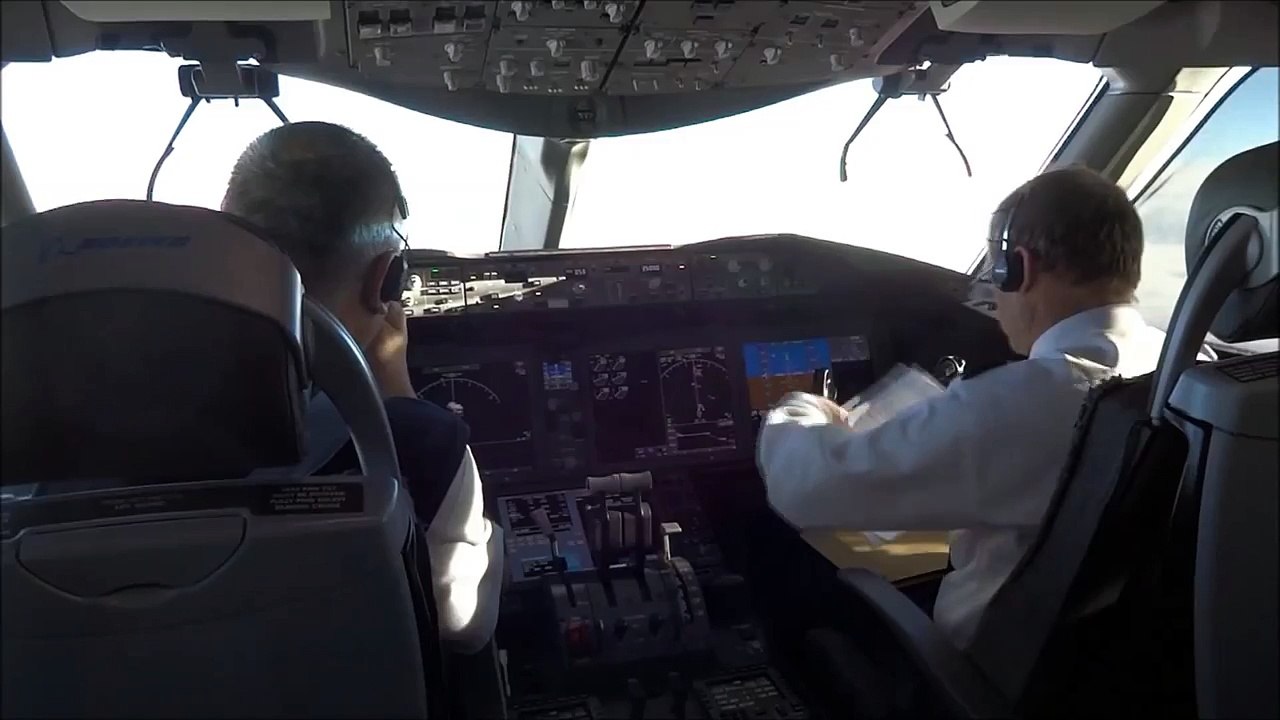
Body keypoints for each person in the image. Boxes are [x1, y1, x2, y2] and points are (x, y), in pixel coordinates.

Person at [757, 165, 1174, 650]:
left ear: (1020, 267)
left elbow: (808, 487)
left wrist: (801, 409)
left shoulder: (1034, 398)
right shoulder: (1183, 361)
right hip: (1120, 649)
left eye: (996, 274)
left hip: (988, 666)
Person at [222, 121, 502, 654]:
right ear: (385, 281)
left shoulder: (101, 409)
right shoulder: (424, 443)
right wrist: (397, 397)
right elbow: (459, 623)